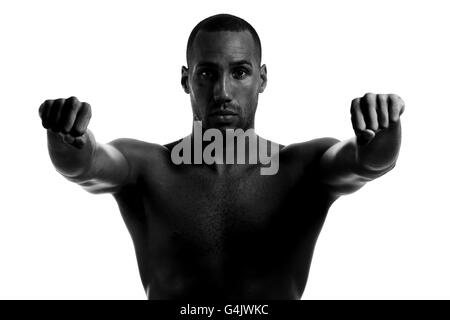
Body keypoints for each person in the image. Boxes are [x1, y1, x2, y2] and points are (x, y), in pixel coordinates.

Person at [38, 13, 405, 300]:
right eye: (207, 74)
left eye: (240, 72)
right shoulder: (147, 167)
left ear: (261, 79)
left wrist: (383, 131)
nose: (223, 91)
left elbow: (367, 162)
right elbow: (87, 165)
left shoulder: (300, 169)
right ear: (186, 80)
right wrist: (69, 137)